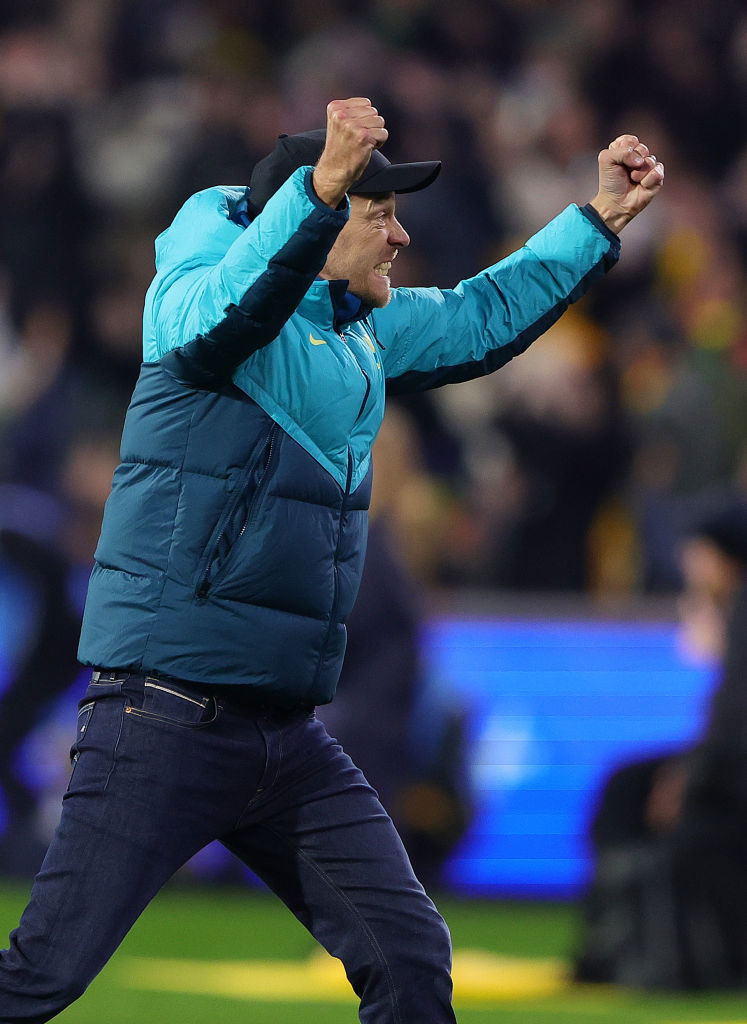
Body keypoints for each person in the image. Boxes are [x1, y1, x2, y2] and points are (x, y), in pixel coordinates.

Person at [0, 97, 663, 1022]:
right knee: (39, 976)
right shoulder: (194, 311)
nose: (399, 236)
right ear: (314, 216)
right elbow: (231, 307)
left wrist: (592, 221)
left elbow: (477, 316)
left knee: (410, 957)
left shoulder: (356, 331)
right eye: (378, 211)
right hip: (162, 722)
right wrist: (317, 189)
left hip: (286, 735)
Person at [574, 500, 747, 989]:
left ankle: (622, 945)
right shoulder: (729, 613)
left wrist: (691, 776)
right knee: (627, 781)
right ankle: (618, 938)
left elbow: (733, 725)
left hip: (730, 783)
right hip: (726, 769)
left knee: (630, 791)